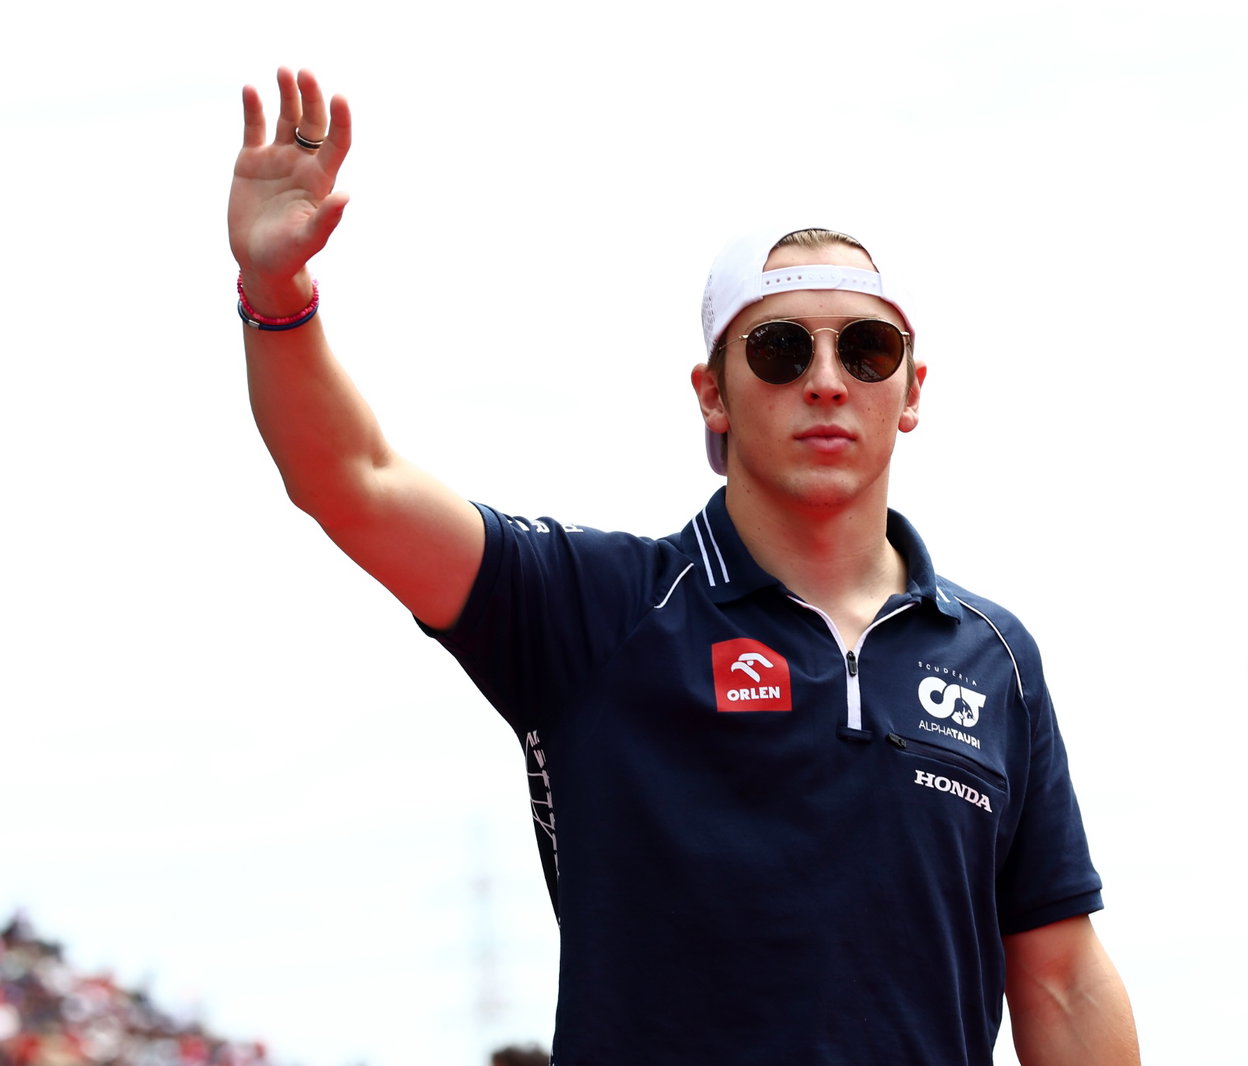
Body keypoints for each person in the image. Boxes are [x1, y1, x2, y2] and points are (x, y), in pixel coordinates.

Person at [228, 67, 1140, 1064]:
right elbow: (348, 480)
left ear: (911, 388)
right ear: (713, 391)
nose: (827, 381)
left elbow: (1059, 974)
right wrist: (278, 295)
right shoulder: (594, 608)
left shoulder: (994, 657)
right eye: (781, 350)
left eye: (866, 350)